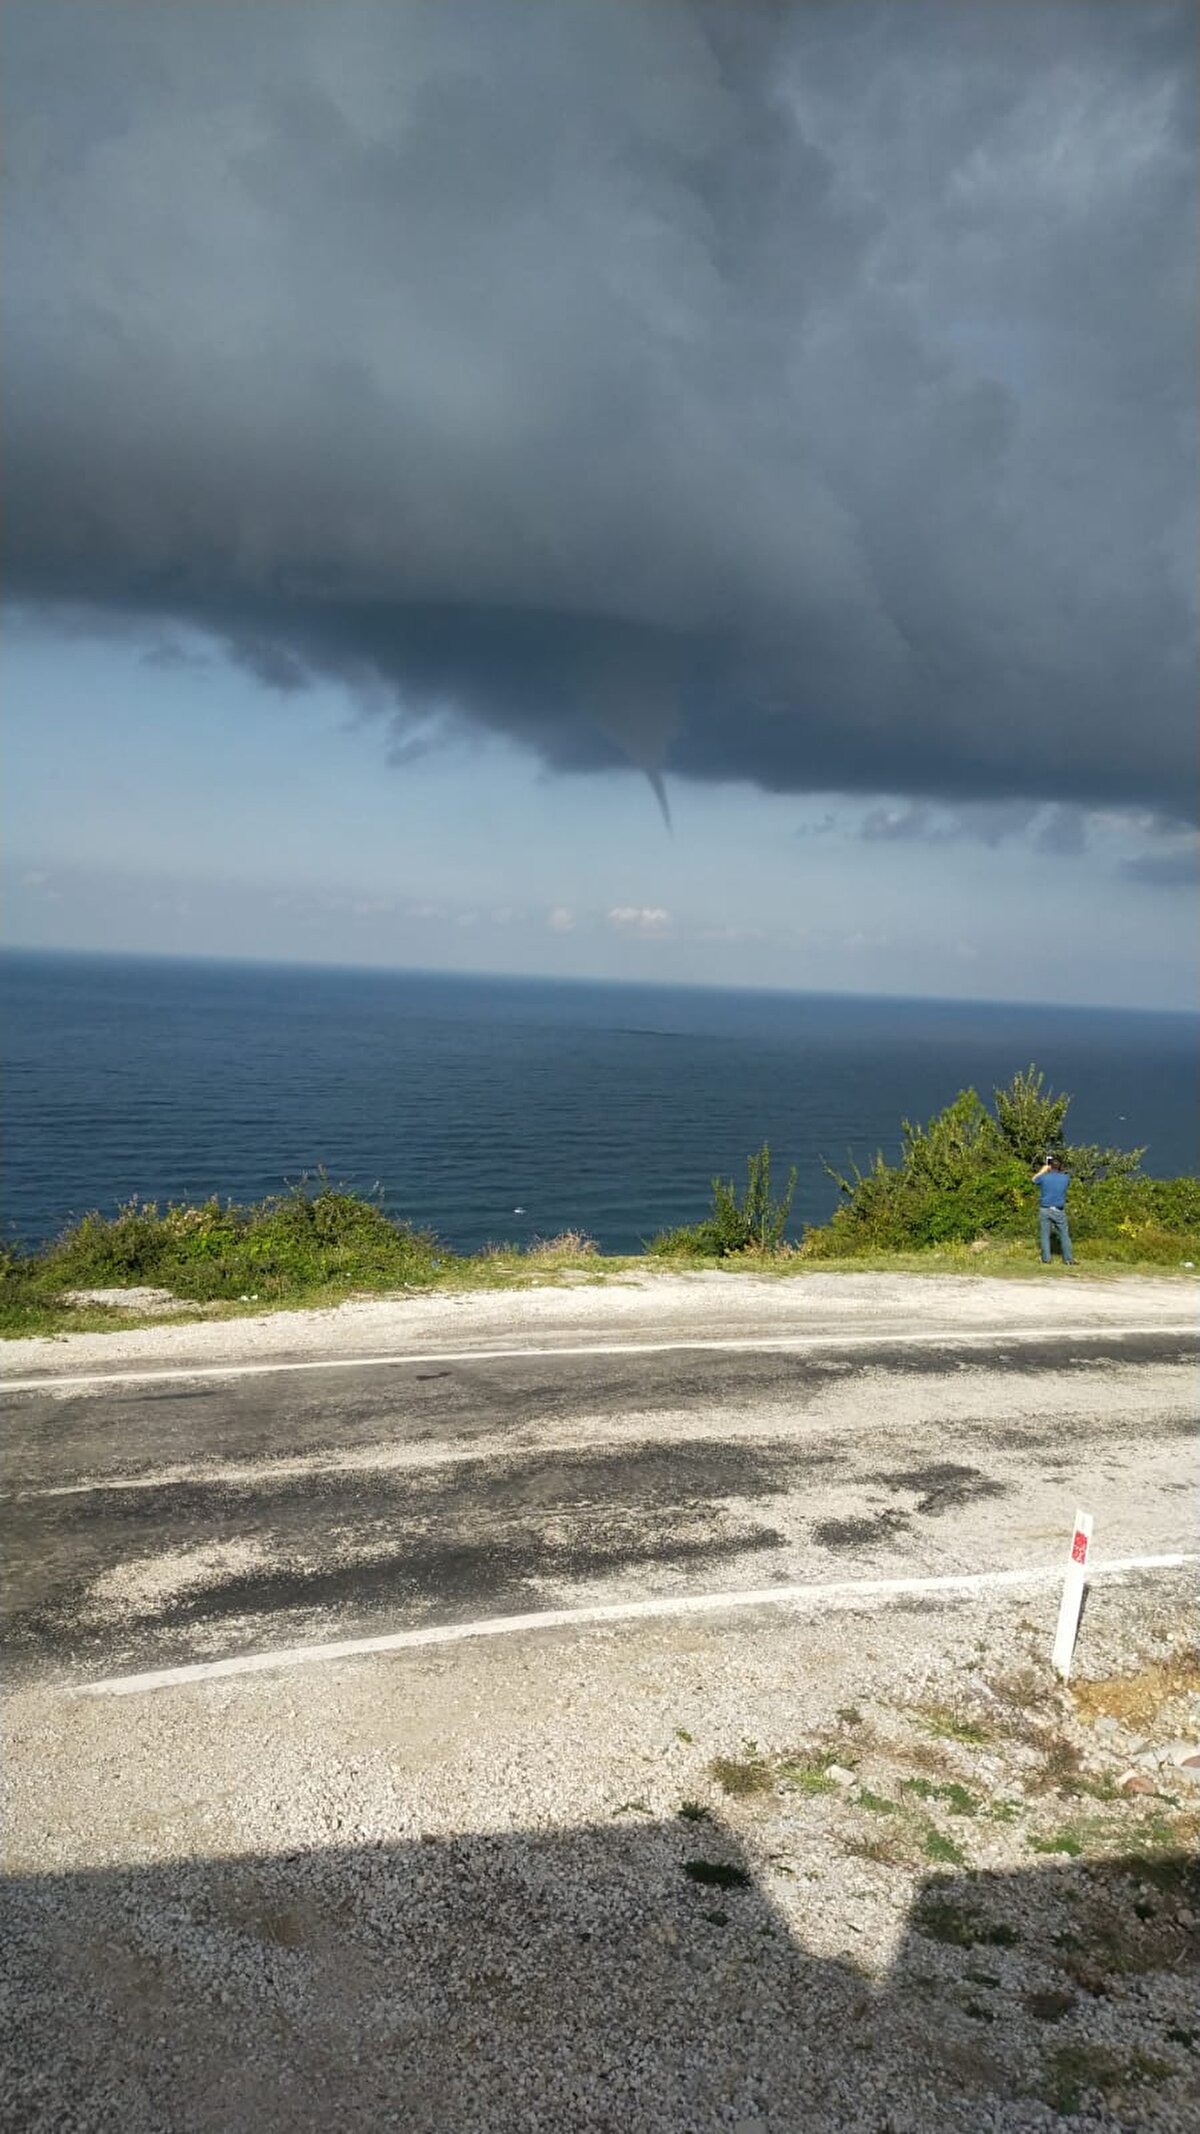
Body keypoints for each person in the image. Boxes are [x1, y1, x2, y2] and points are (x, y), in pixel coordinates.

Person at [1032, 1154, 1073, 1265]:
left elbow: (1033, 1180)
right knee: (1064, 1234)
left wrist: (1043, 1170)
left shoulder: (1044, 1177)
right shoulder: (1065, 1178)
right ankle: (1068, 1259)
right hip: (1059, 1209)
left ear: (1049, 1166)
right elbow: (1063, 1179)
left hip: (1045, 1209)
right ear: (1060, 1167)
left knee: (1045, 1235)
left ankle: (1046, 1259)